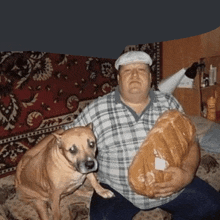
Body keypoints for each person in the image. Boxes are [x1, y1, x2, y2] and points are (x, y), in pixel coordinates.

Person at [63, 51, 220, 220]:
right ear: (118, 79)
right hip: (119, 190)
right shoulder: (97, 110)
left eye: (141, 70)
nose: (135, 74)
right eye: (127, 71)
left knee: (211, 205)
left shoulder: (169, 102)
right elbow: (64, 137)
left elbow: (190, 141)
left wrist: (187, 174)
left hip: (167, 183)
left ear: (151, 78)